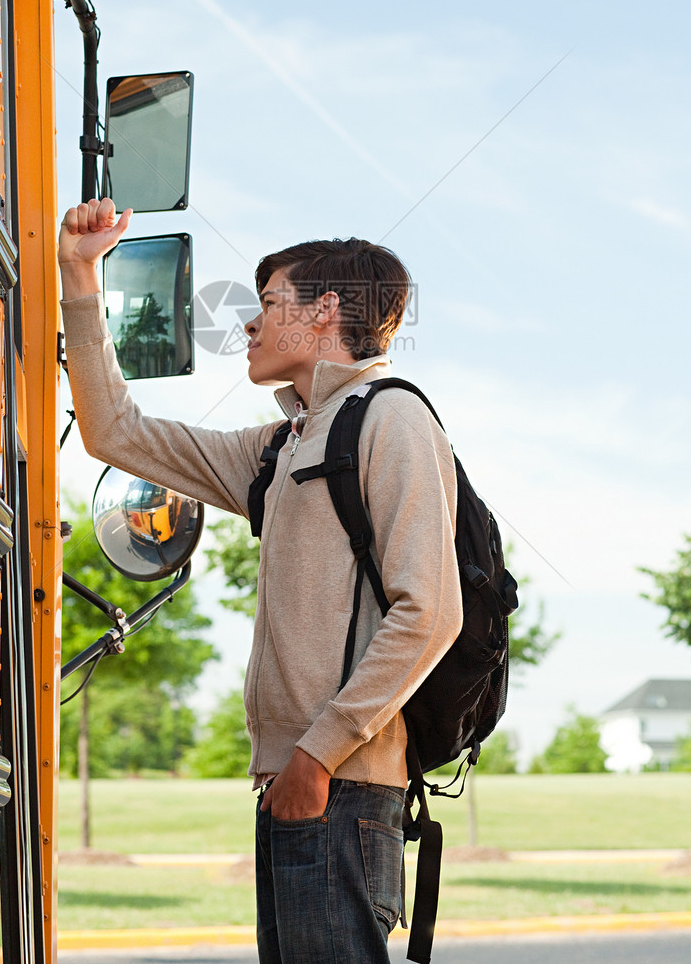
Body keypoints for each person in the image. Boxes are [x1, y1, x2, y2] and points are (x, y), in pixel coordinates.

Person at [58, 197, 463, 964]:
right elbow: (114, 432)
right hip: (297, 787)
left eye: (269, 304)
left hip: (339, 785)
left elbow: (430, 611)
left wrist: (317, 756)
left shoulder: (390, 419)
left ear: (326, 312)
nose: (249, 323)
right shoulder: (284, 444)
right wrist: (80, 275)